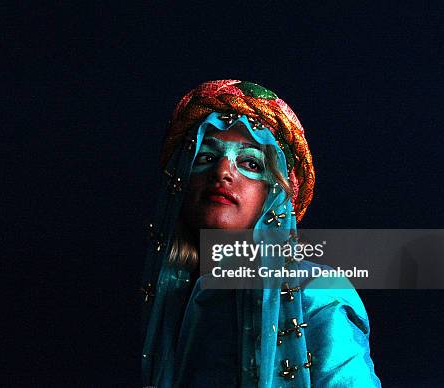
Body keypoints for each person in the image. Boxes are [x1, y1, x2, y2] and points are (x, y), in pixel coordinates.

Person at [141, 80, 381, 387]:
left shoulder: (317, 293)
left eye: (251, 162)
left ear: (276, 192)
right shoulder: (171, 302)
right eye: (205, 158)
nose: (223, 172)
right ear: (180, 185)